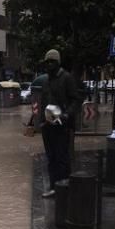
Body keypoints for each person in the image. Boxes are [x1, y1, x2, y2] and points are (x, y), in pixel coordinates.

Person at [39, 49, 80, 198]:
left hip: (62, 126)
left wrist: (66, 115)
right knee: (51, 158)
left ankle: (64, 188)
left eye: (52, 61)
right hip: (48, 126)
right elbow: (43, 102)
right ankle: (53, 187)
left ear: (58, 62)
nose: (49, 64)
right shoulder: (45, 80)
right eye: (47, 62)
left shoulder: (67, 78)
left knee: (62, 157)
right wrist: (40, 122)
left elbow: (75, 100)